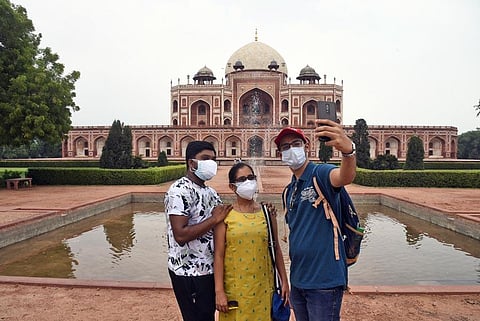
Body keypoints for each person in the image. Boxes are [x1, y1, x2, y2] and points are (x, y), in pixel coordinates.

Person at [274, 120, 357, 321]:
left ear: (307, 146)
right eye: (285, 147)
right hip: (299, 280)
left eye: (295, 144)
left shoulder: (319, 174)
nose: (291, 150)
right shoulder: (289, 191)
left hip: (324, 281)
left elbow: (344, 176)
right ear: (280, 154)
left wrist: (349, 152)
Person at [164, 140, 233, 321]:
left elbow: (223, 220)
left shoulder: (210, 192)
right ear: (191, 162)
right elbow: (180, 235)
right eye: (205, 158)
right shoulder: (179, 191)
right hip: (187, 271)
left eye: (213, 159)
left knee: (206, 316)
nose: (211, 163)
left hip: (208, 269)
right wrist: (214, 219)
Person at [213, 162, 290, 321]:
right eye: (241, 180)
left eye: (251, 177)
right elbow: (219, 255)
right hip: (235, 288)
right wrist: (219, 291)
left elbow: (275, 249)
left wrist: (284, 282)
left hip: (264, 288)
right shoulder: (225, 216)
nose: (248, 182)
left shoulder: (267, 213)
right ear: (232, 187)